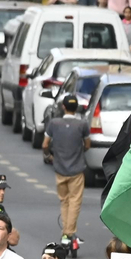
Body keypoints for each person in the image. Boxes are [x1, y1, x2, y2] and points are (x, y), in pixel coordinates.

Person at [41, 95, 90, 249]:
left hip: (60, 169)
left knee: (64, 201)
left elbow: (45, 144)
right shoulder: (82, 124)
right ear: (77, 108)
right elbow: (87, 144)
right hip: (76, 169)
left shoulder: (54, 123)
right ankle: (69, 233)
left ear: (63, 106)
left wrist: (50, 156)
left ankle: (66, 233)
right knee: (75, 201)